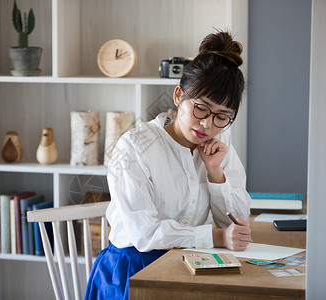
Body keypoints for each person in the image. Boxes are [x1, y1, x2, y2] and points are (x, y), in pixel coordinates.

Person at [85, 30, 252, 300]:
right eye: (201, 108)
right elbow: (145, 234)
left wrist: (215, 173)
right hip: (132, 271)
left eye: (222, 116)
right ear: (178, 96)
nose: (208, 124)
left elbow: (237, 222)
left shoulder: (220, 144)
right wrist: (217, 238)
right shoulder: (135, 146)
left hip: (189, 265)